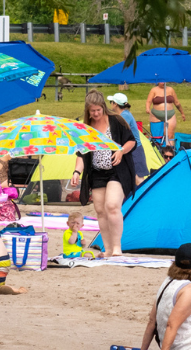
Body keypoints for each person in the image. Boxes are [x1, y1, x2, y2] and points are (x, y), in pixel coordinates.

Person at [77, 89, 138, 259]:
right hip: (97, 172)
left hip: (117, 171)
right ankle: (108, 248)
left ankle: (117, 247)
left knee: (111, 206)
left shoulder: (116, 121)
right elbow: (81, 152)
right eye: (92, 111)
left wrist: (120, 151)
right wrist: (76, 171)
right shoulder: (86, 128)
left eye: (98, 110)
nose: (96, 114)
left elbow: (132, 141)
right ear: (87, 111)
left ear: (103, 107)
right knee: (100, 210)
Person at [110, 93, 152, 184]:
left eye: (111, 102)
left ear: (115, 104)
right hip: (129, 150)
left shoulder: (125, 116)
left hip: (135, 151)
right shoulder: (123, 114)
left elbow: (119, 133)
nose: (110, 104)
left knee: (139, 181)